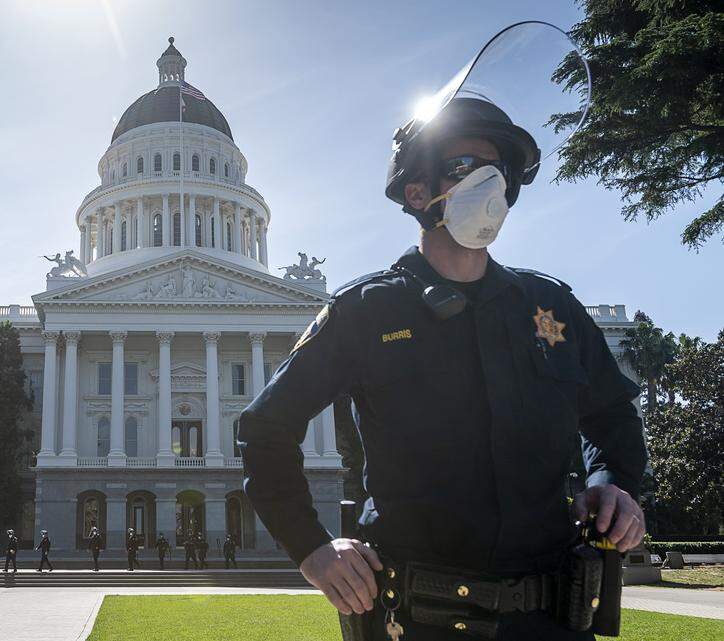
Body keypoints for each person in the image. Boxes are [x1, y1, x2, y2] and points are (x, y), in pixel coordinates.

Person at [239, 96, 648, 640]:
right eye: (464, 168)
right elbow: (266, 429)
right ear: (417, 192)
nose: (488, 183)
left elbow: (613, 414)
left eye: (497, 170)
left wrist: (613, 482)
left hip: (550, 615)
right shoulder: (366, 311)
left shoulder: (550, 309)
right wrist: (311, 548)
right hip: (418, 617)